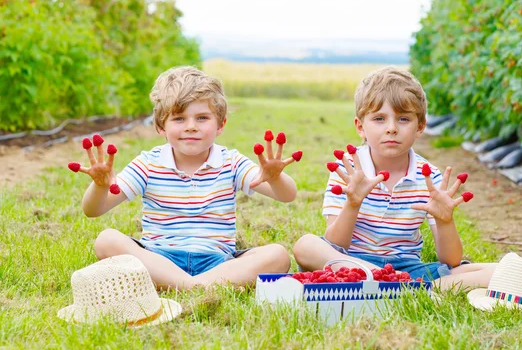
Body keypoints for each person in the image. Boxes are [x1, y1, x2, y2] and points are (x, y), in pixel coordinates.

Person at [68, 66, 301, 290]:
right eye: (179, 119)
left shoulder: (231, 162)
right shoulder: (149, 163)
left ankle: (184, 285)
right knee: (107, 240)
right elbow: (93, 210)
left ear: (221, 125)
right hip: (158, 258)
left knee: (277, 256)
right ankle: (195, 286)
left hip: (218, 262)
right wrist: (99, 186)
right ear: (161, 126)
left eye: (202, 118)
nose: (191, 127)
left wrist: (275, 178)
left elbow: (287, 195)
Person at [293, 66, 496, 290]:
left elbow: (451, 260)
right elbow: (336, 244)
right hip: (351, 264)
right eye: (379, 118)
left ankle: (397, 284)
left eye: (403, 119)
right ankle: (397, 283)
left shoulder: (429, 177)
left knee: (495, 271)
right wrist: (352, 204)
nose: (391, 128)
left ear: (420, 127)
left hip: (406, 269)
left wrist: (445, 221)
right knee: (306, 245)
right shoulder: (347, 170)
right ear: (360, 127)